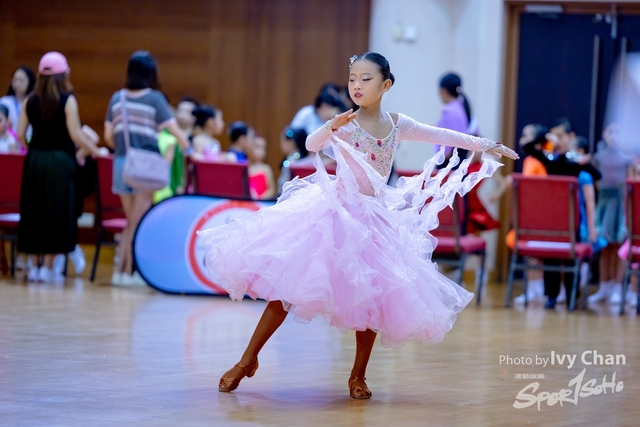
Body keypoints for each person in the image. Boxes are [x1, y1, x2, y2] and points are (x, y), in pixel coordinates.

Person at [198, 52, 517, 399]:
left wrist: (487, 145)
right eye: (352, 79)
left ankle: (358, 376)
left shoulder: (398, 124)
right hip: (331, 214)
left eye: (366, 79)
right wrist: (330, 126)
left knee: (372, 298)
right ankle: (247, 360)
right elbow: (311, 144)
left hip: (372, 220)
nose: (357, 85)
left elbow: (442, 134)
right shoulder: (346, 123)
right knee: (288, 290)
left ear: (386, 84)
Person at [16, 52, 104, 283]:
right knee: (56, 213)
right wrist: (96, 150)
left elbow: (20, 134)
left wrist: (34, 149)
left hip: (35, 161)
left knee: (33, 212)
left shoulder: (29, 100)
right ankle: (47, 268)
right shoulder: (68, 100)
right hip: (60, 162)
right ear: (64, 75)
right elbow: (76, 135)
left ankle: (34, 267)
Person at [104, 51, 190, 286]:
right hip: (146, 166)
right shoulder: (155, 99)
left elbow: (108, 137)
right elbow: (175, 132)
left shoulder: (117, 98)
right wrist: (188, 147)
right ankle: (130, 272)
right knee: (137, 222)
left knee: (130, 220)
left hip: (121, 163)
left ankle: (121, 271)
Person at [589, 123, 636, 304]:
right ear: (604, 134)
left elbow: (631, 183)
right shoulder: (598, 157)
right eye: (611, 132)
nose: (614, 136)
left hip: (620, 205)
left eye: (618, 133)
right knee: (605, 247)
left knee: (619, 248)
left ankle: (617, 287)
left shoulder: (627, 159)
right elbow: (594, 180)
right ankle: (604, 287)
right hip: (604, 204)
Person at [435, 73, 476, 166]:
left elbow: (446, 151)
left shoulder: (449, 111)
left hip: (449, 164)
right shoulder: (462, 108)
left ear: (443, 91)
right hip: (460, 162)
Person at [1, 66, 36, 136]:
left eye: (21, 81)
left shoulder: (35, 103)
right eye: (15, 80)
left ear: (30, 81)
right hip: (10, 141)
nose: (17, 84)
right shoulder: (4, 102)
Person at [277, 126, 309, 192]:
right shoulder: (290, 160)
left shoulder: (292, 162)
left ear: (292, 142)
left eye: (283, 140)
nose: (281, 144)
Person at [247, 135, 276, 200]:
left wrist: (260, 199)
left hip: (262, 202)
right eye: (258, 147)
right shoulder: (245, 168)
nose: (261, 151)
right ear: (250, 148)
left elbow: (272, 189)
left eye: (263, 148)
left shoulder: (266, 168)